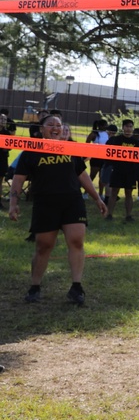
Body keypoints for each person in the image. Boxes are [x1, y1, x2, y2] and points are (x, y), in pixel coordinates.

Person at [8, 113, 108, 305]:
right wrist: (13, 203)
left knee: (76, 241)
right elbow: (18, 179)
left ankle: (76, 287)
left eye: (58, 125)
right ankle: (35, 286)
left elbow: (82, 175)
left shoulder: (69, 148)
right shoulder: (31, 151)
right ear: (41, 129)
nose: (55, 128)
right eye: (51, 124)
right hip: (45, 203)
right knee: (44, 246)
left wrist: (97, 198)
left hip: (72, 201)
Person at [105, 119, 139, 221]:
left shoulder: (136, 141)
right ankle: (109, 214)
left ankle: (128, 216)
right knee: (114, 192)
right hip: (117, 170)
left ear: (132, 128)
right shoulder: (116, 140)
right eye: (126, 126)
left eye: (130, 127)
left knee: (129, 193)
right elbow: (110, 153)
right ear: (123, 128)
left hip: (130, 172)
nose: (128, 129)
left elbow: (138, 158)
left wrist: (136, 173)